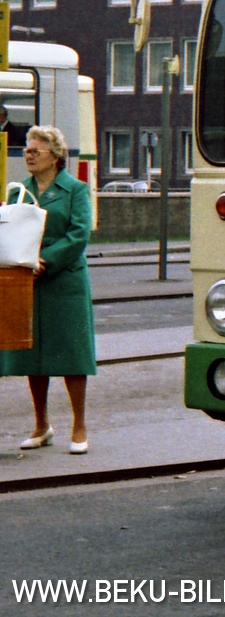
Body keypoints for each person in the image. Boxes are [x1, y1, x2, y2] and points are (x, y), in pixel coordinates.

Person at [0, 126, 94, 454]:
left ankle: (79, 426)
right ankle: (41, 425)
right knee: (33, 353)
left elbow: (79, 233)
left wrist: (46, 260)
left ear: (55, 157)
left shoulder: (76, 189)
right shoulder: (19, 191)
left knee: (72, 352)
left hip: (65, 280)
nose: (28, 155)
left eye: (35, 151)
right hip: (28, 280)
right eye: (26, 150)